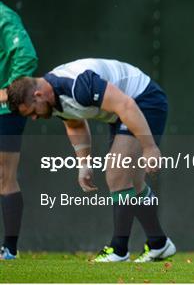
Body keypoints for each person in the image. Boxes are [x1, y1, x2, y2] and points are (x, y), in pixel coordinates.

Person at [7, 58, 176, 262]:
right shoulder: (52, 99)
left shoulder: (78, 85)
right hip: (121, 111)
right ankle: (159, 243)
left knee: (116, 174)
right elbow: (75, 124)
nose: (34, 118)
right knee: (134, 184)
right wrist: (84, 164)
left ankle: (119, 249)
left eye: (33, 112)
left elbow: (126, 104)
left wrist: (150, 147)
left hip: (143, 100)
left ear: (38, 95)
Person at [0, 2, 38, 260]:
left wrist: (8, 92)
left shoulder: (3, 16)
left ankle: (9, 250)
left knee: (4, 176)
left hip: (5, 111)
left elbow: (26, 54)